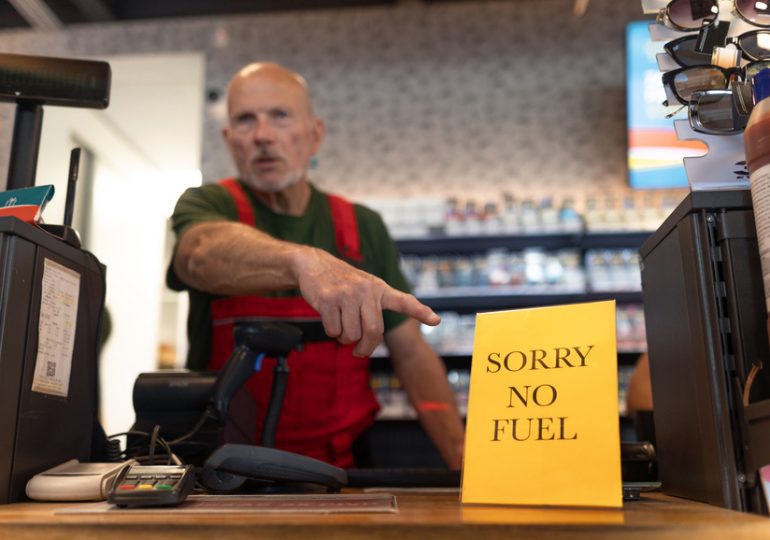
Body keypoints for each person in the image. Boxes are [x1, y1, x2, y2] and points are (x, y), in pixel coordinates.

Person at [167, 62, 465, 469]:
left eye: (280, 116)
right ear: (228, 138)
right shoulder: (207, 205)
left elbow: (411, 353)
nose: (263, 136)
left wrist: (461, 458)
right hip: (224, 468)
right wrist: (301, 261)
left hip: (343, 467)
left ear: (315, 135)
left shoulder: (362, 225)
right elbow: (198, 255)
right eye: (245, 120)